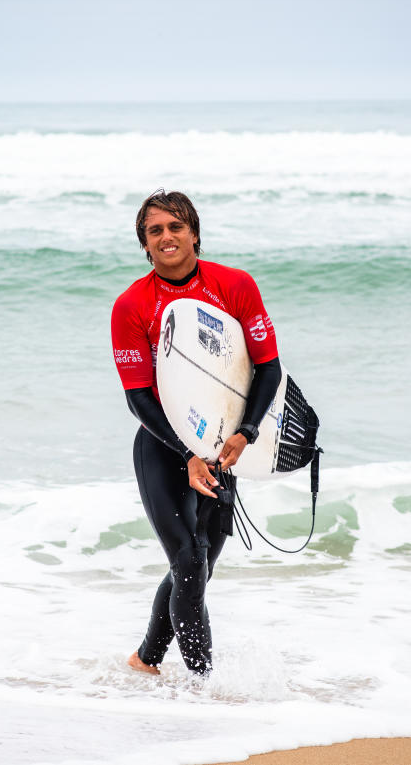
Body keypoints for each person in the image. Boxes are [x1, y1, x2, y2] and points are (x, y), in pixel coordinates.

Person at [110, 189, 282, 676]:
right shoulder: (131, 305)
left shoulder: (235, 285)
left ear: (194, 233)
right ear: (144, 243)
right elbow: (137, 396)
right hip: (163, 445)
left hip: (225, 446)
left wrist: (246, 433)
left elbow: (268, 367)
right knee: (188, 561)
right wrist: (187, 452)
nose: (166, 237)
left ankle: (146, 660)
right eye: (155, 230)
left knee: (197, 566)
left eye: (176, 226)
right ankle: (202, 686)